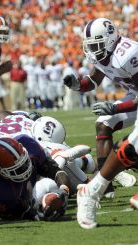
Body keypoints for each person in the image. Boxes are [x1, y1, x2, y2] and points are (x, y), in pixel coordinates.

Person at [63, 17, 138, 229]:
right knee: (103, 123)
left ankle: (101, 181)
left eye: (97, 44)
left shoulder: (127, 54)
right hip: (134, 96)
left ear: (110, 39)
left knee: (131, 147)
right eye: (91, 46)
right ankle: (104, 185)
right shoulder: (104, 54)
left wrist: (116, 107)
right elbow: (93, 81)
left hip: (135, 98)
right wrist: (77, 85)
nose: (93, 51)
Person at [0, 136, 69, 221]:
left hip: (23, 190)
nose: (24, 169)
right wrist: (42, 214)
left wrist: (64, 190)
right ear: (0, 172)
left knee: (52, 184)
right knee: (42, 192)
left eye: (25, 162)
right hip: (5, 205)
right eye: (17, 169)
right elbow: (26, 212)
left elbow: (54, 170)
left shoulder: (27, 143)